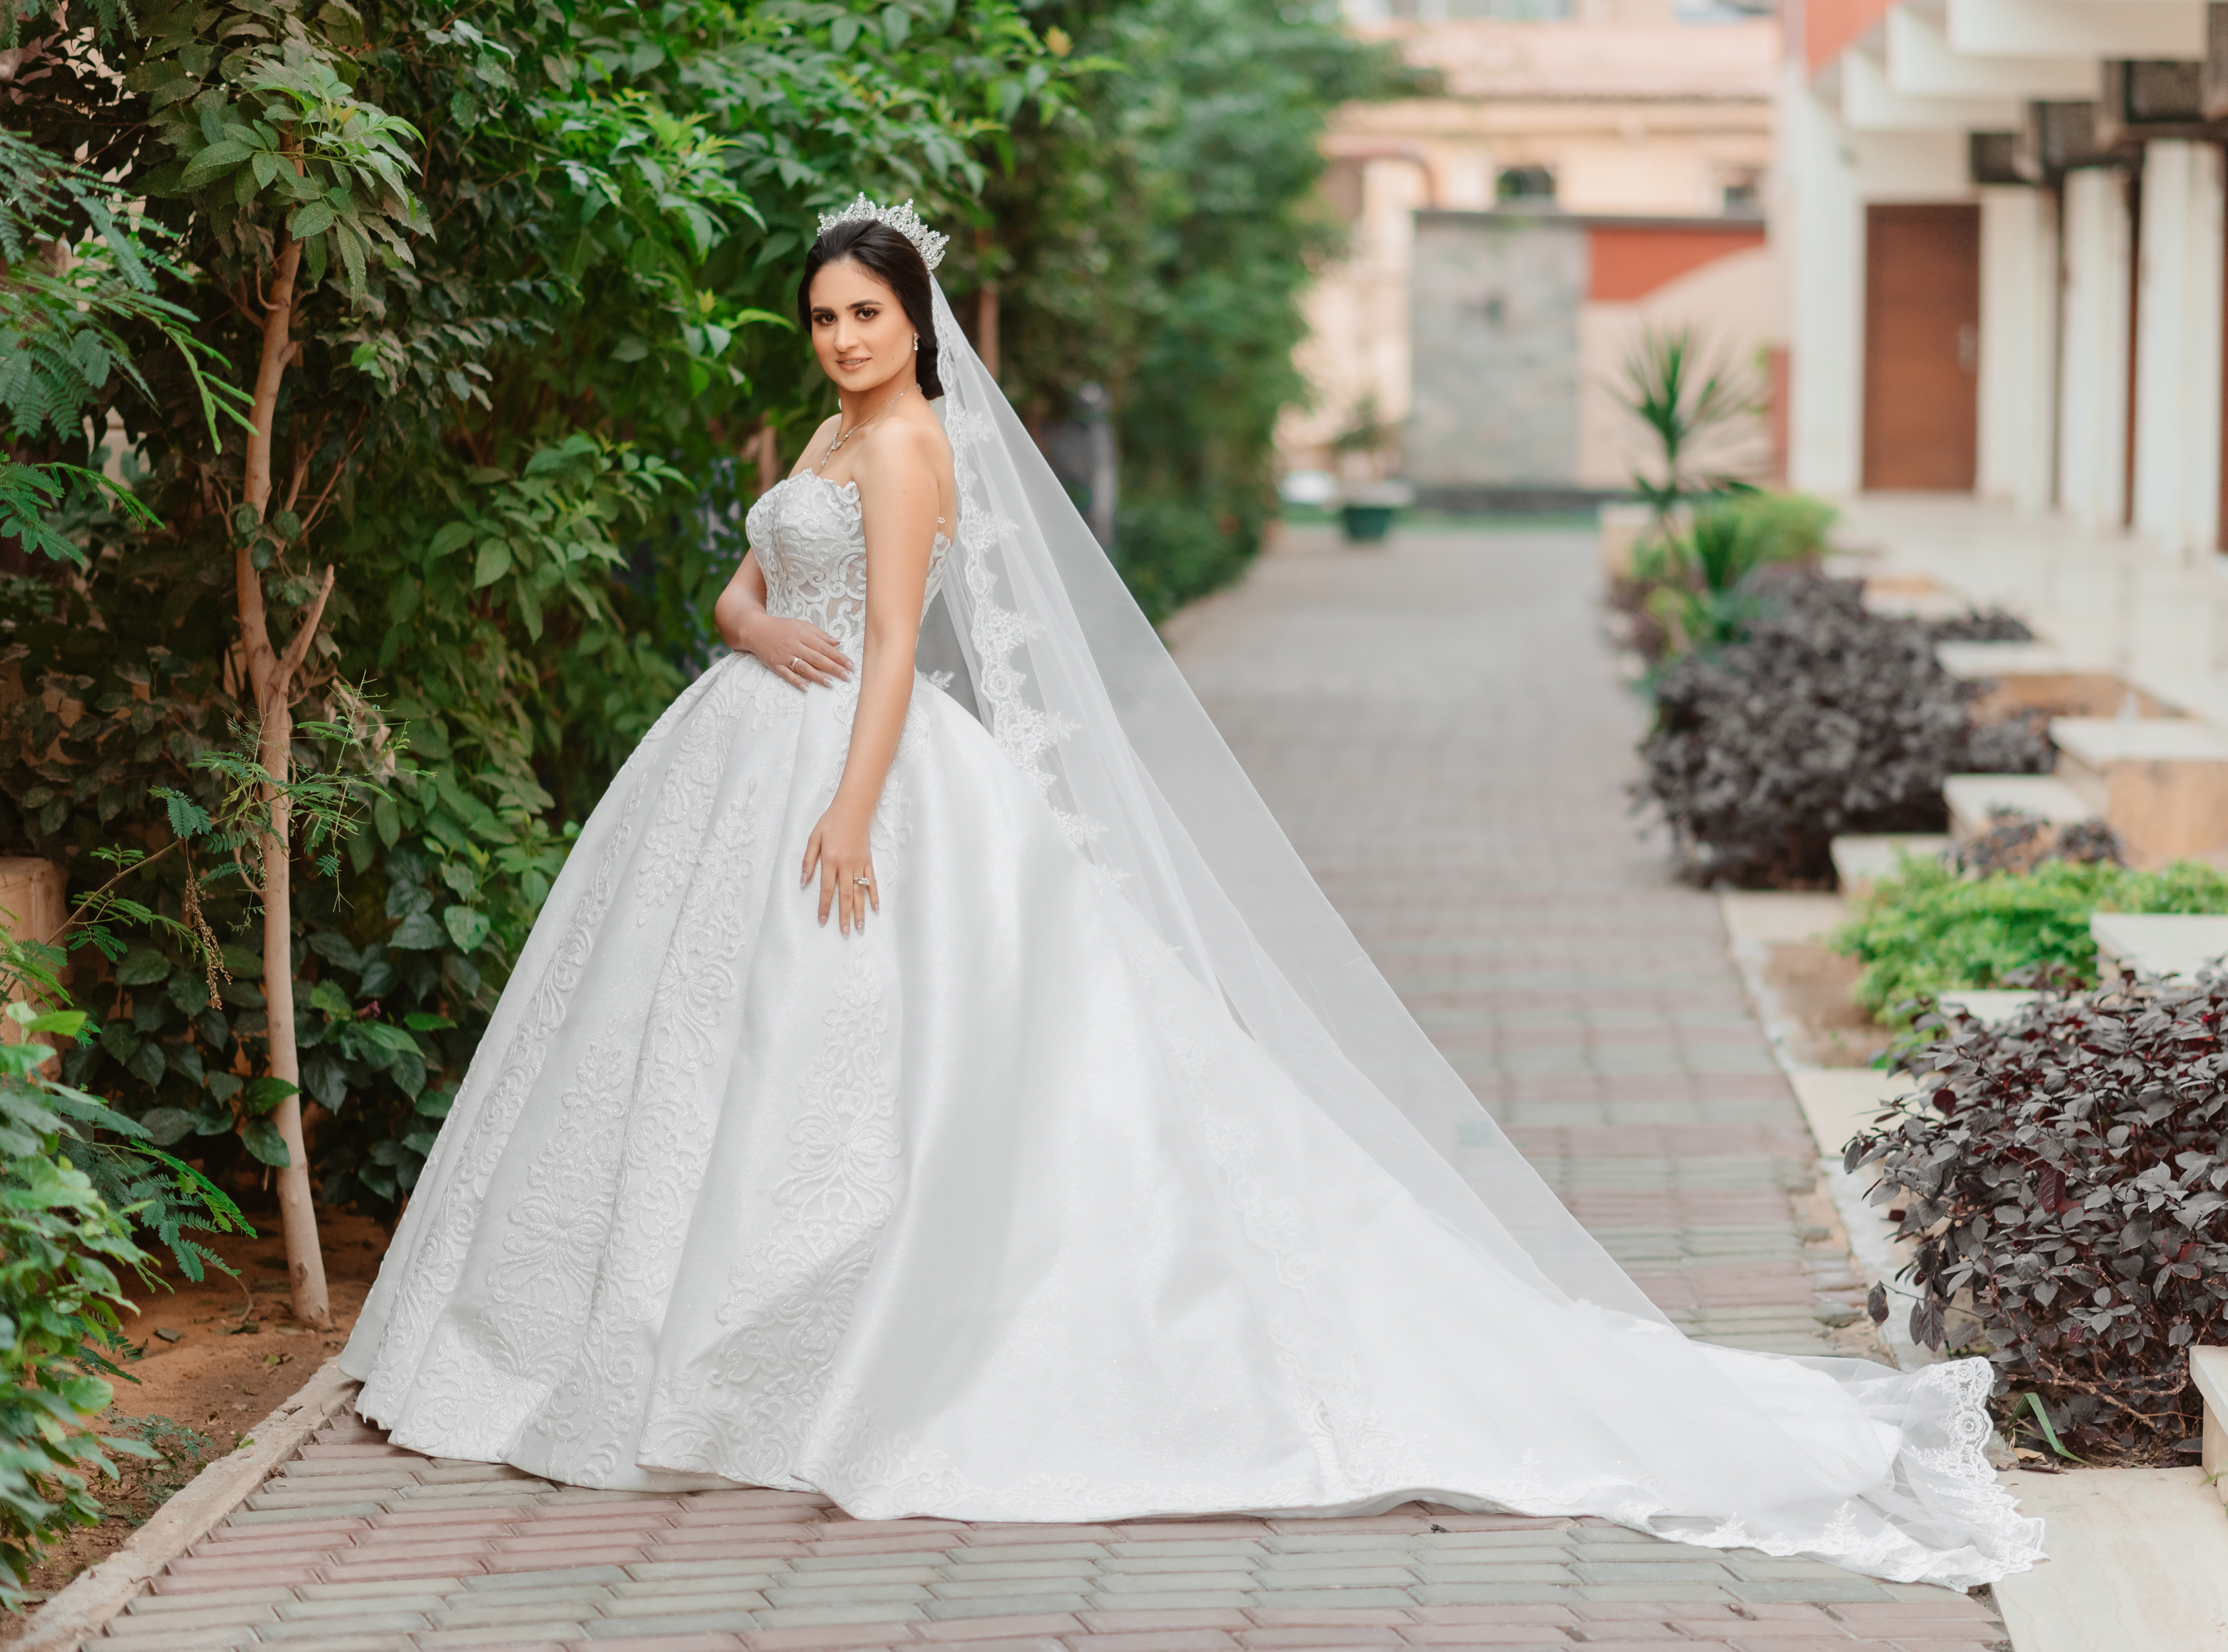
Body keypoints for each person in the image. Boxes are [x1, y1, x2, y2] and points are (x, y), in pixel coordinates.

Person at [340, 197, 2041, 1588]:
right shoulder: (824, 433)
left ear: (916, 326)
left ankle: (825, 1351)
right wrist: (748, 624)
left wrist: (857, 813)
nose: (844, 340)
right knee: (701, 1044)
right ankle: (666, 1339)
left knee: (857, 1056)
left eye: (867, 317)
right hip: (737, 741)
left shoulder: (918, 449)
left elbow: (903, 653)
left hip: (862, 770)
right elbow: (747, 578)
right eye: (826, 318)